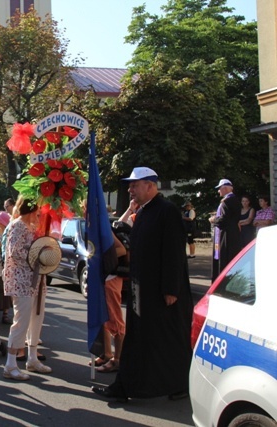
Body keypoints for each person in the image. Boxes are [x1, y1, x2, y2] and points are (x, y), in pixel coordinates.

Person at [92, 167, 193, 401]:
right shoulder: (145, 211)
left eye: (134, 185)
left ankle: (179, 384)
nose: (130, 189)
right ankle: (127, 386)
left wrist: (170, 289)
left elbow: (173, 254)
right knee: (139, 341)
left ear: (150, 185)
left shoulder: (167, 211)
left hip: (162, 292)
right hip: (142, 290)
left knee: (168, 340)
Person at [2, 196, 51, 381]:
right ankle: (10, 364)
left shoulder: (32, 227)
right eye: (37, 210)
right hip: (21, 281)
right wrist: (37, 255)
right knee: (21, 320)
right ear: (30, 210)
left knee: (37, 318)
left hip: (36, 279)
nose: (39, 213)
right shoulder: (17, 225)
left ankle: (32, 358)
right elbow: (15, 252)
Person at [94, 232, 127, 374]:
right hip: (102, 278)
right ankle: (107, 354)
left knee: (114, 318)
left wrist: (101, 256)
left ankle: (118, 359)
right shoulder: (91, 224)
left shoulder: (103, 226)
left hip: (110, 279)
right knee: (103, 319)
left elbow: (121, 250)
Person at [209, 179, 242, 281]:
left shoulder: (226, 201)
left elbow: (224, 219)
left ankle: (221, 281)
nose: (218, 191)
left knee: (223, 258)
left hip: (225, 234)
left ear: (226, 189)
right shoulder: (236, 200)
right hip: (233, 233)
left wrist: (214, 219)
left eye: (220, 189)